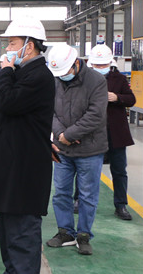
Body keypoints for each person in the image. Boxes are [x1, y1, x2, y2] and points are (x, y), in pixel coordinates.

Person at [0, 17, 54, 274]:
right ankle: (13, 273)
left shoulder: (39, 76)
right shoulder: (22, 73)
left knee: (22, 226)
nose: (7, 49)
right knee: (6, 222)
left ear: (30, 46)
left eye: (12, 43)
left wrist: (5, 71)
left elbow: (8, 102)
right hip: (9, 160)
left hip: (25, 164)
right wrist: (8, 73)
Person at [46, 44, 108, 256]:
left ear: (76, 64)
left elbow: (96, 115)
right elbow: (49, 111)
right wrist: (61, 134)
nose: (62, 76)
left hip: (90, 149)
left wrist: (70, 134)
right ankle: (65, 232)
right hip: (62, 149)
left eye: (65, 72)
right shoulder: (55, 80)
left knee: (87, 195)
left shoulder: (96, 81)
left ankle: (83, 235)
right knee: (61, 193)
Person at [88, 45, 136, 220]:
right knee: (87, 170)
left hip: (115, 133)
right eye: (97, 65)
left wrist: (117, 97)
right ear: (91, 64)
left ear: (110, 62)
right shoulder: (85, 79)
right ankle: (80, 200)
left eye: (103, 65)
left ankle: (121, 205)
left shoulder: (119, 79)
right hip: (92, 132)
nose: (101, 68)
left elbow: (131, 99)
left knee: (119, 171)